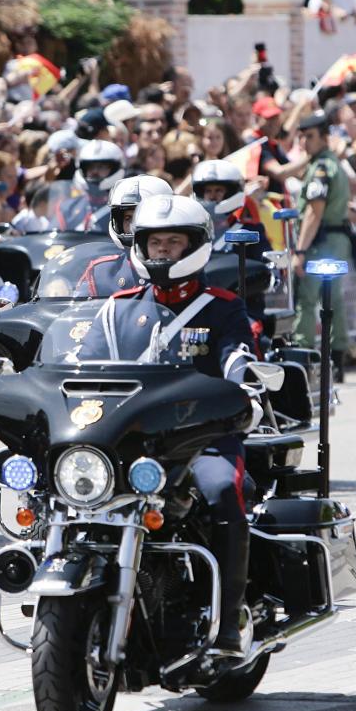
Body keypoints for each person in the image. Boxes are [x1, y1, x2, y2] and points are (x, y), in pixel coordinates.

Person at [99, 196, 257, 653]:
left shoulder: (221, 307)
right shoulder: (117, 309)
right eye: (155, 242)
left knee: (223, 491)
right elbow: (81, 361)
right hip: (131, 441)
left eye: (173, 241)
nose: (163, 250)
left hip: (200, 440)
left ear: (195, 245)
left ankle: (228, 620)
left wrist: (243, 380)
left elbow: (237, 355)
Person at [292, 112, 351, 367]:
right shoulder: (332, 164)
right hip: (336, 239)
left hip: (321, 241)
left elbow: (314, 212)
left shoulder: (321, 168)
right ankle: (337, 354)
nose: (305, 142)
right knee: (333, 299)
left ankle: (303, 352)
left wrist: (300, 251)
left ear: (325, 137)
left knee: (307, 299)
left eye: (310, 136)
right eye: (302, 137)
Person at [72, 174, 173, 297]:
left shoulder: (181, 270)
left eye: (142, 216)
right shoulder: (99, 273)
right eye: (128, 218)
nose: (134, 226)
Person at [54, 139, 125, 231]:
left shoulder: (125, 210)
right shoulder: (68, 207)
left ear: (114, 169)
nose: (95, 171)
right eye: (90, 167)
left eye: (101, 167)